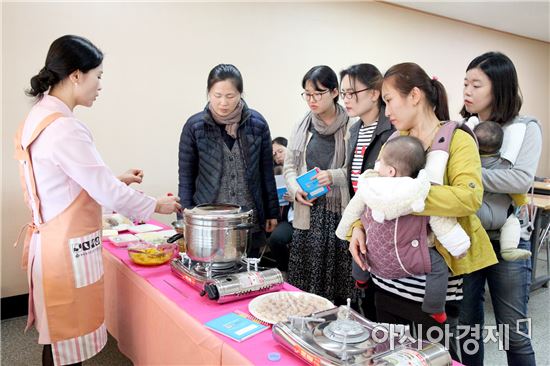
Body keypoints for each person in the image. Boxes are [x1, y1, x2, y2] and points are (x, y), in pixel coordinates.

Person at [14, 35, 181, 366]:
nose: (100, 85)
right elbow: (102, 191)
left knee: (59, 338)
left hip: (48, 242)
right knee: (66, 340)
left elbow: (63, 182)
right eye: (98, 75)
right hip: (64, 250)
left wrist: (113, 180)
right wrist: (154, 205)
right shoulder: (65, 128)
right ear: (77, 75)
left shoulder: (39, 116)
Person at [348, 62, 497, 361]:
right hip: (387, 278)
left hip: (431, 287)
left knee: (433, 356)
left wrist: (406, 195)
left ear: (414, 95)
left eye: (389, 100)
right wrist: (357, 230)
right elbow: (372, 191)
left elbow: (469, 198)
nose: (386, 109)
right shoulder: (395, 138)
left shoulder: (457, 138)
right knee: (391, 355)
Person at [459, 52, 542, 366]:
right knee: (465, 329)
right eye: (465, 83)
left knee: (513, 332)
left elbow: (520, 180)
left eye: (476, 84)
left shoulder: (525, 128)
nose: (467, 90)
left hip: (508, 239)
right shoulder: (463, 127)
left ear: (500, 88)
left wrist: (468, 175)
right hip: (466, 237)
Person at [337, 136, 470, 323]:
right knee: (439, 268)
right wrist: (459, 247)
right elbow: (440, 220)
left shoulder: (369, 185)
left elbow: (353, 210)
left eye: (380, 163)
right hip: (409, 256)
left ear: (390, 171)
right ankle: (434, 309)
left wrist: (344, 231)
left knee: (359, 248)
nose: (377, 167)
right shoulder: (419, 190)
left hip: (376, 252)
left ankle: (361, 278)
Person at [178, 64, 279, 257]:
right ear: (208, 93)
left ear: (241, 94)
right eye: (217, 96)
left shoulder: (257, 124)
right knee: (213, 274)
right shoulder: (195, 126)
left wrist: (272, 212)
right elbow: (186, 176)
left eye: (230, 96)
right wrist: (186, 215)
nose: (223, 103)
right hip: (210, 220)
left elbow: (266, 172)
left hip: (249, 217)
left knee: (249, 275)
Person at [283, 65, 353, 304]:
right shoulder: (302, 125)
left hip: (337, 213)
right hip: (308, 211)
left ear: (334, 92)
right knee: (304, 283)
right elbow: (290, 166)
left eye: (318, 94)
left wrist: (333, 176)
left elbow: (357, 171)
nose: (311, 100)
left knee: (336, 282)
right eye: (307, 94)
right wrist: (296, 190)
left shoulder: (350, 127)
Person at [339, 63, 395, 319]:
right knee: (366, 300)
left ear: (374, 93)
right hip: (363, 223)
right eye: (344, 94)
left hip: (384, 224)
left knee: (381, 304)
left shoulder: (390, 130)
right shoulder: (356, 129)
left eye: (353, 93)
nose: (347, 100)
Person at [470, 120, 531, 261]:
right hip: (502, 217)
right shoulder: (505, 166)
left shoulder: (471, 162)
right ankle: (509, 249)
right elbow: (516, 191)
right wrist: (521, 203)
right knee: (513, 222)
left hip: (477, 215)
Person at [267, 137, 294, 273]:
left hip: (302, 217)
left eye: (280, 151)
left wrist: (295, 197)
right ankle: (282, 271)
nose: (278, 156)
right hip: (284, 219)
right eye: (274, 154)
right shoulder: (274, 173)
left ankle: (287, 271)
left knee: (277, 238)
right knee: (274, 238)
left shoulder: (301, 167)